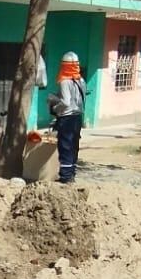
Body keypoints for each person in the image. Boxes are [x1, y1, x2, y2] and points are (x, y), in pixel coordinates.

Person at [49, 51, 86, 183]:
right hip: (77, 117)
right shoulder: (81, 80)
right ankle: (71, 174)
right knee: (74, 145)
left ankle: (65, 177)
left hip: (67, 118)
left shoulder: (65, 81)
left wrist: (55, 107)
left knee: (65, 146)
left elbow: (65, 101)